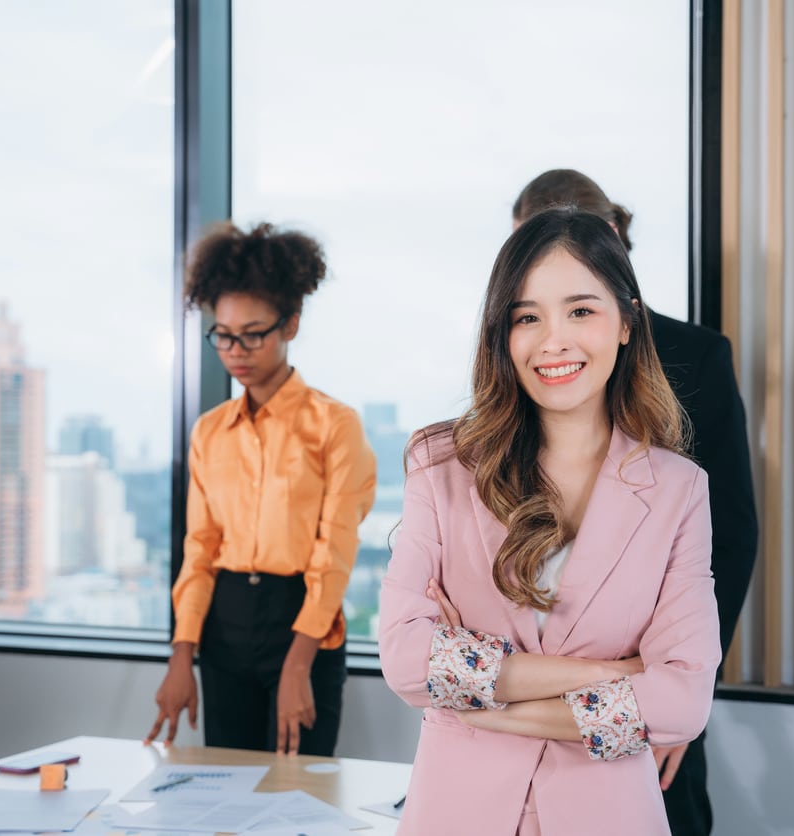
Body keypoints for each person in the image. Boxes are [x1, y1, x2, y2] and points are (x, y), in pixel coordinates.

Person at [379, 207, 720, 835]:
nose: (553, 341)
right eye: (527, 317)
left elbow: (682, 703)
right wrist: (617, 677)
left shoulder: (679, 490)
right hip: (456, 813)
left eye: (581, 311)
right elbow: (406, 660)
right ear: (501, 334)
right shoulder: (440, 463)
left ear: (627, 322)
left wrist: (483, 699)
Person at [513, 169, 758, 835]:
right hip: (532, 667)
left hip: (653, 663)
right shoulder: (517, 357)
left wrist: (684, 685)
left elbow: (731, 536)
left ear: (612, 239)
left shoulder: (694, 356)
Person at [146, 221, 377, 756]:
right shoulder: (209, 431)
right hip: (224, 631)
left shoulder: (334, 425)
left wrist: (298, 667)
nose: (236, 351)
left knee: (298, 792)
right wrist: (182, 656)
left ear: (290, 324)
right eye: (224, 335)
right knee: (227, 788)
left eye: (253, 334)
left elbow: (335, 552)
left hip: (301, 625)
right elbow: (200, 550)